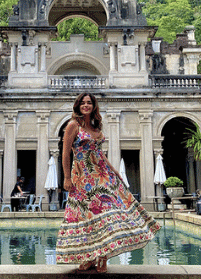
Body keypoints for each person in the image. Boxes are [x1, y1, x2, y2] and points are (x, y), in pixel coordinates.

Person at [57, 93, 160, 273]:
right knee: (86, 217)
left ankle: (103, 257)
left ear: (94, 106)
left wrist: (115, 172)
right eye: (83, 103)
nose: (86, 105)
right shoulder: (73, 125)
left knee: (106, 213)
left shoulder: (96, 128)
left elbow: (100, 155)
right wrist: (66, 177)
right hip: (82, 178)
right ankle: (89, 257)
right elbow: (66, 153)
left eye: (89, 103)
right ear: (78, 106)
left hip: (102, 177)